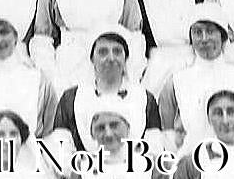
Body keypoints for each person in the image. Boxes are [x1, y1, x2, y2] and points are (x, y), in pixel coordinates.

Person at [49, 25, 163, 168]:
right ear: (91, 58)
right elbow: (60, 153)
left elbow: (154, 151)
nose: (111, 58)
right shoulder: (71, 98)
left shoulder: (145, 98)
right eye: (103, 52)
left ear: (126, 58)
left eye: (117, 52)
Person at [158, 3, 234, 155]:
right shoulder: (176, 81)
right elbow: (167, 132)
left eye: (211, 31)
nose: (204, 39)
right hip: (192, 163)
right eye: (198, 32)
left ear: (222, 35)